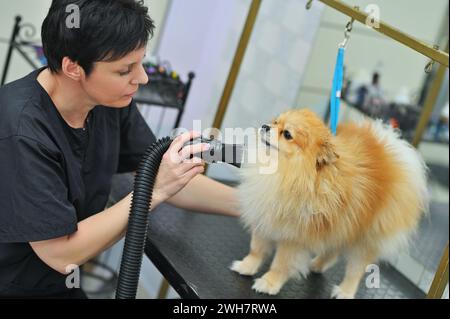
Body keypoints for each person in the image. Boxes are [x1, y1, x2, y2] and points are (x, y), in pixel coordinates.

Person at [0, 0, 239, 299]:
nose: (142, 78)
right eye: (125, 69)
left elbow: (164, 174)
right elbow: (60, 254)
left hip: (59, 283)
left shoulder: (107, 102)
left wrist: (259, 209)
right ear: (72, 67)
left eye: (140, 63)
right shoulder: (20, 131)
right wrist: (153, 191)